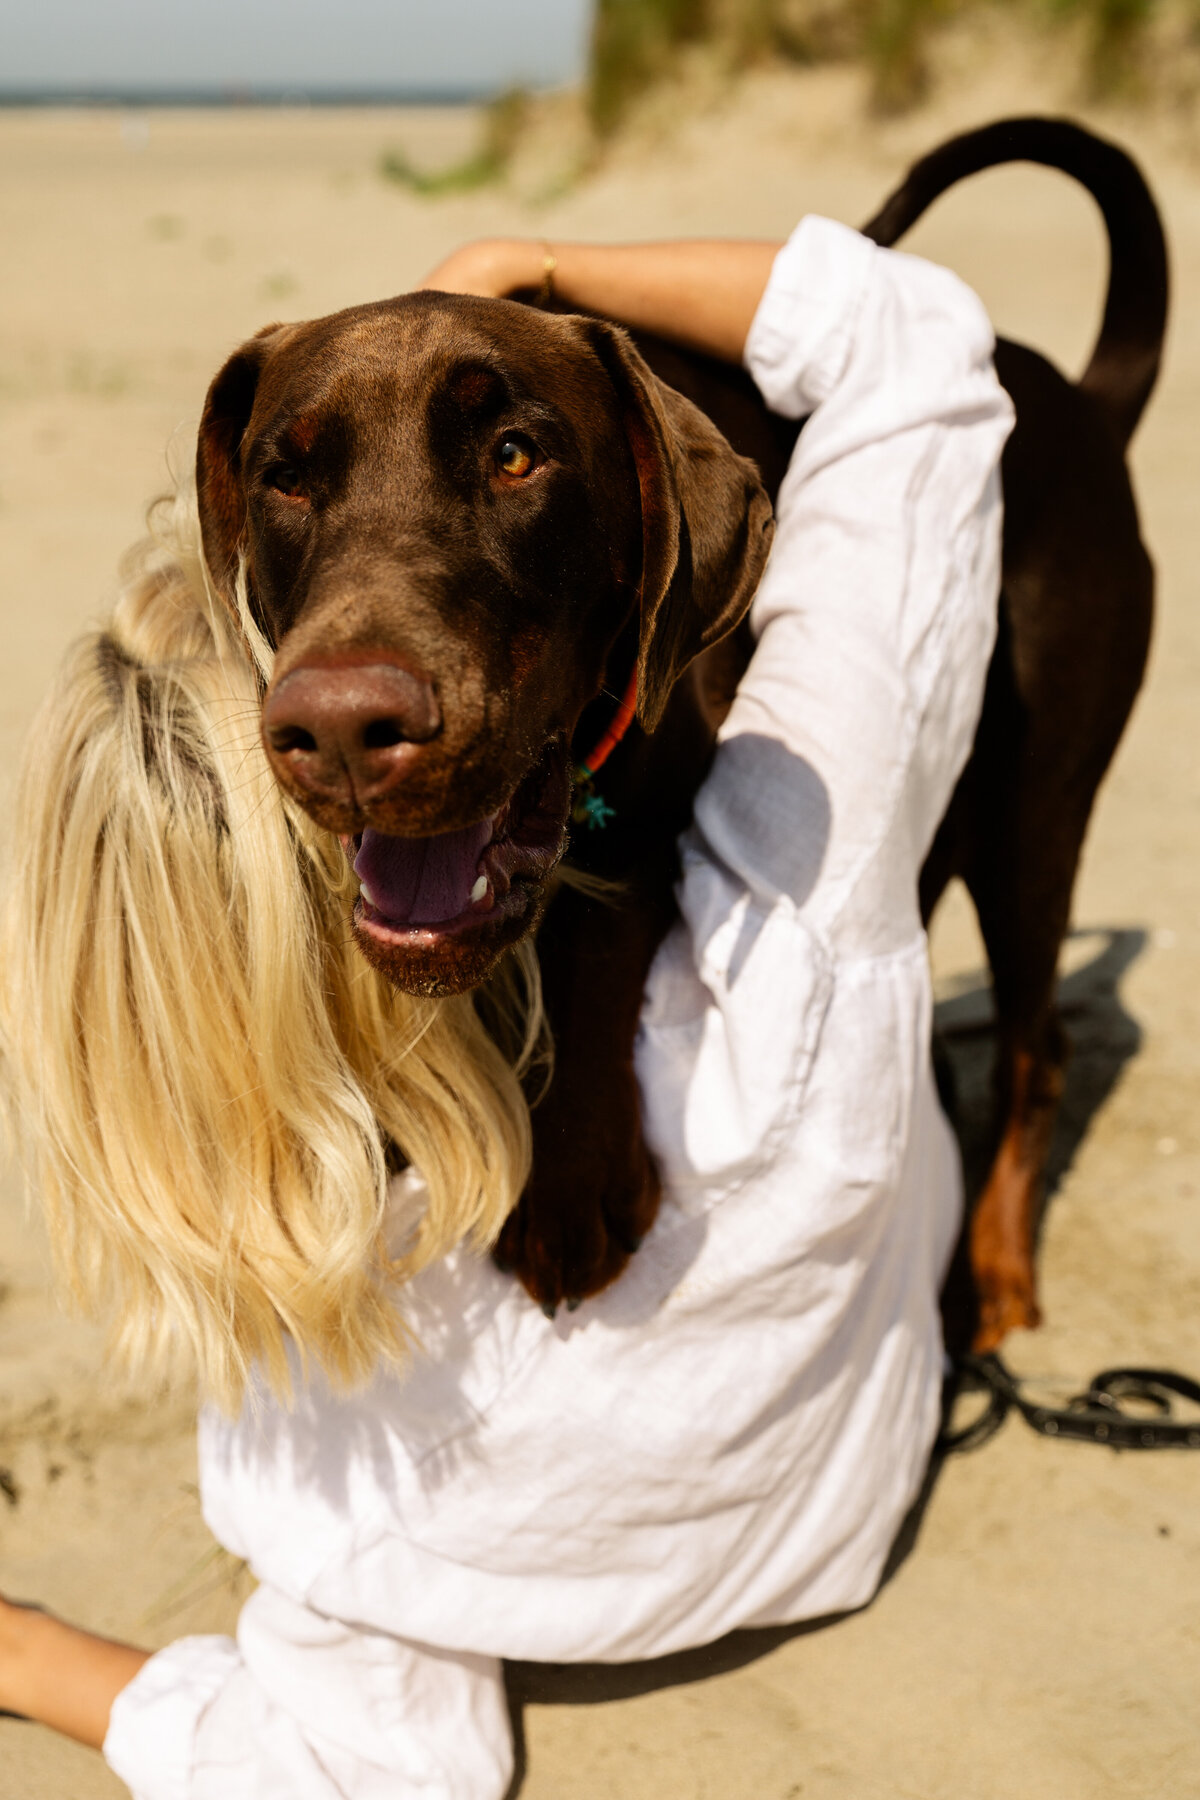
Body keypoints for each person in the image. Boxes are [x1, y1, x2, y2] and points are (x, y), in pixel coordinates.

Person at [0, 219, 1013, 1796]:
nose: (336, 707)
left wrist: (20, 1653)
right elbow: (910, 349)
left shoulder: (317, 1448)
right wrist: (544, 266)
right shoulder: (797, 901)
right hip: (851, 1483)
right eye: (299, 480)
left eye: (515, 457)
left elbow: (358, 1774)